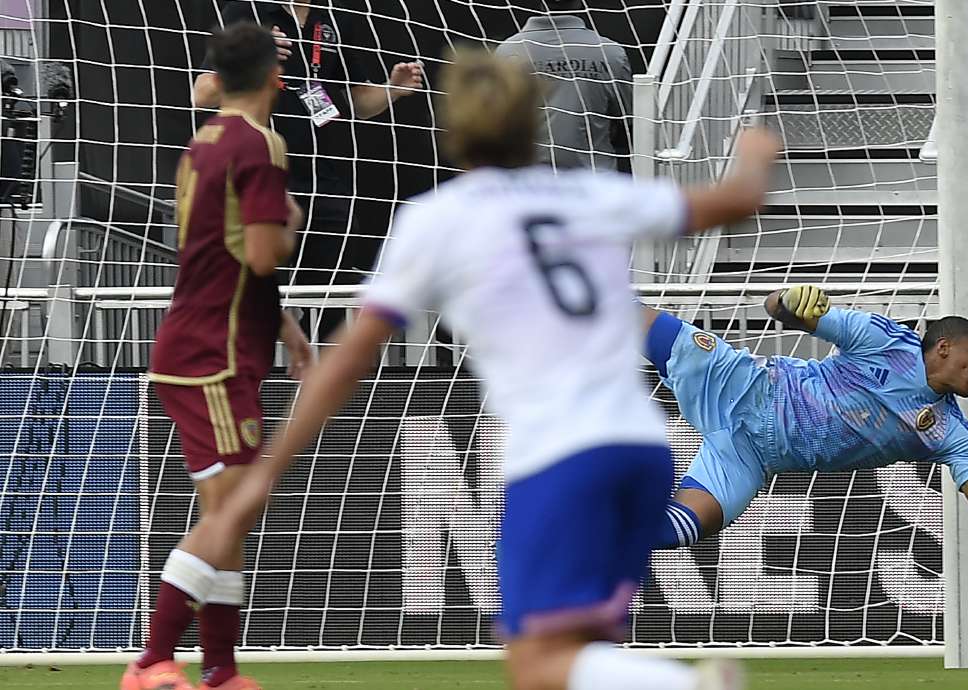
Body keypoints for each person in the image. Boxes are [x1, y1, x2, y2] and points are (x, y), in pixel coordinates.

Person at [177, 48, 780, 689]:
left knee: (541, 663)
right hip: (642, 447)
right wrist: (756, 149)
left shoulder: (439, 219)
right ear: (532, 124)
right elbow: (737, 199)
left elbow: (352, 355)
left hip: (559, 452)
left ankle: (693, 687)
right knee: (583, 649)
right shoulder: (586, 194)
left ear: (452, 131)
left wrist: (268, 469)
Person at [122, 22, 312, 690]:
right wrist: (288, 225)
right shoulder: (261, 145)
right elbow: (260, 254)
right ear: (275, 79)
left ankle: (221, 671)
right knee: (233, 511)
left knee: (223, 515)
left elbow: (221, 254)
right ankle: (151, 661)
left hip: (197, 342)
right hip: (215, 356)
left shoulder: (203, 142)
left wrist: (284, 325)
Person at [643, 285, 968, 550]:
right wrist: (791, 299)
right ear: (945, 347)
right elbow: (777, 307)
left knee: (676, 530)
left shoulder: (955, 435)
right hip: (745, 387)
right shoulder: (884, 340)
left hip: (747, 457)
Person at [194, 0, 425, 341]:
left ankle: (316, 381)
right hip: (259, 175)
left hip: (324, 179)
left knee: (332, 296)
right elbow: (202, 94)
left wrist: (393, 90)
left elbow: (353, 101)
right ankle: (248, 378)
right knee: (250, 290)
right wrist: (253, 56)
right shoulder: (246, 12)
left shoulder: (333, 19)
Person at [497, 0, 632, 172]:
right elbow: (627, 119)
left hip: (527, 184)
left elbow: (498, 122)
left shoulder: (507, 52)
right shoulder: (611, 52)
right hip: (593, 183)